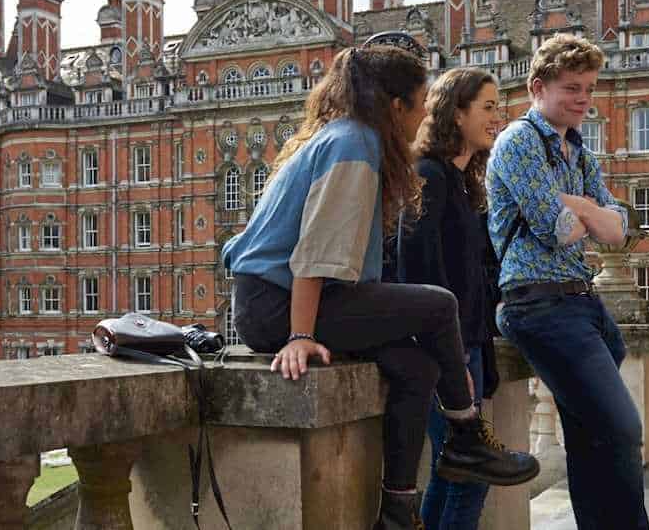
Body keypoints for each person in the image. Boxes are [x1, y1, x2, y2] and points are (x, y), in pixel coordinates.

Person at [224, 36, 538, 530]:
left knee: (415, 369)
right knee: (438, 305)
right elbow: (312, 255)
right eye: (420, 104)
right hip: (277, 303)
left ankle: (397, 510)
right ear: (397, 106)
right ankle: (466, 439)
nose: (424, 117)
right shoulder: (355, 143)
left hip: (303, 297)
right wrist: (300, 335)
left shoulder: (351, 137)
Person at [487, 33, 649, 530]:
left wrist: (580, 206)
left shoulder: (577, 152)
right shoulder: (518, 141)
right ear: (538, 87)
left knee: (589, 437)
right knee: (623, 429)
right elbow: (554, 230)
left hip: (583, 304)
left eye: (589, 89)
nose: (584, 99)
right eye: (572, 88)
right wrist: (588, 212)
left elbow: (621, 230)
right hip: (538, 305)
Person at [391, 67, 501, 530]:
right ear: (456, 113)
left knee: (452, 471)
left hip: (467, 346)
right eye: (489, 107)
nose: (498, 117)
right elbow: (416, 268)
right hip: (443, 352)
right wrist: (453, 361)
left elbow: (474, 277)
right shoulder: (429, 176)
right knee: (467, 473)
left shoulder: (462, 182)